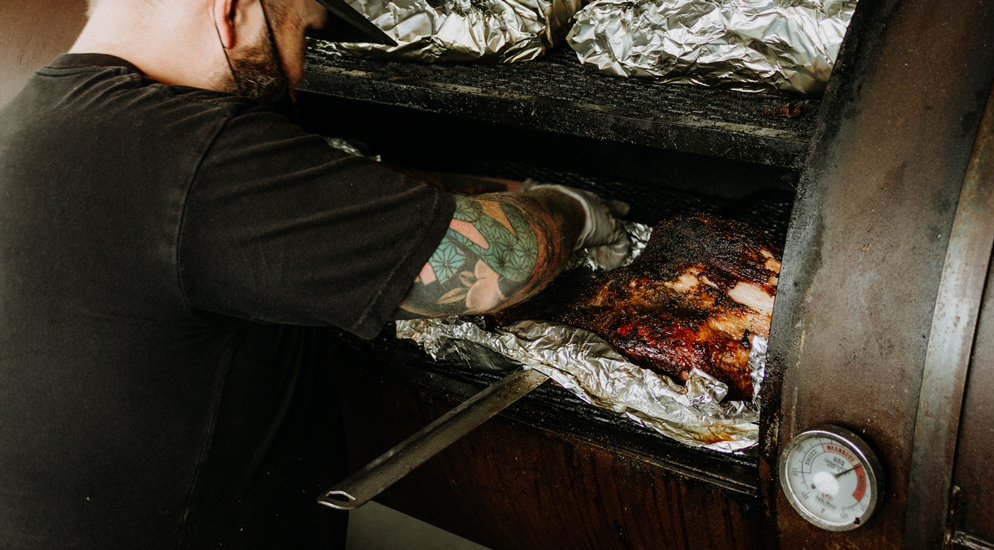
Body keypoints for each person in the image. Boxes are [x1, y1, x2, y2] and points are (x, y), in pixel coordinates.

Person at [0, 0, 628, 547]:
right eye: (302, 30)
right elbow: (494, 263)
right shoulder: (196, 150)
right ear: (231, 9)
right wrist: (573, 209)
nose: (300, 67)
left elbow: (330, 189)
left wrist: (510, 192)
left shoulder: (42, 115)